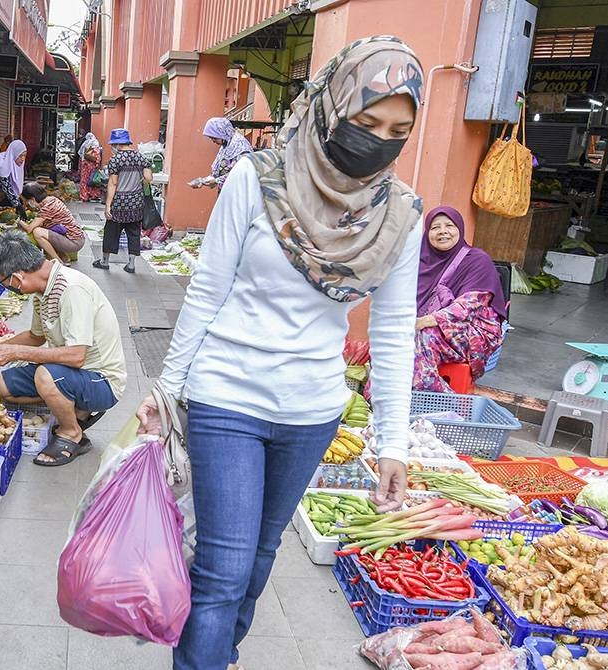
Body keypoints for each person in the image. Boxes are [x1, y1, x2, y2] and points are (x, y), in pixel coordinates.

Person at [135, 36, 424, 670]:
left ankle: (219, 655)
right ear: (332, 105)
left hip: (312, 412)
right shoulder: (257, 178)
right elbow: (207, 289)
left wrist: (393, 444)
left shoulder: (399, 215)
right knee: (223, 568)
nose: (379, 141)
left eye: (398, 131)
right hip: (227, 396)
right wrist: (166, 389)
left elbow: (394, 331)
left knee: (259, 561)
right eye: (367, 121)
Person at [0, 232, 125, 466]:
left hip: (100, 380)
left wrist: (15, 353)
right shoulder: (43, 291)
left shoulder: (71, 289)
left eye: (4, 282)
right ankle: (73, 408)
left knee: (44, 376)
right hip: (66, 371)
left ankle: (72, 433)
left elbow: (77, 356)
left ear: (17, 277)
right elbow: (35, 337)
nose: (7, 287)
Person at [414, 206, 507, 392]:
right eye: (435, 227)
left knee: (422, 338)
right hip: (426, 325)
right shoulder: (419, 261)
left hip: (473, 329)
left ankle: (440, 401)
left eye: (449, 225)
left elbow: (468, 307)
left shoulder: (477, 259)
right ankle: (379, 397)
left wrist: (421, 322)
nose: (443, 231)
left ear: (460, 229)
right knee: (393, 341)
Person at [93, 128, 152, 274]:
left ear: (117, 144)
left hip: (119, 203)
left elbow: (113, 183)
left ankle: (105, 261)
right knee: (134, 233)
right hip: (136, 202)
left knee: (111, 232)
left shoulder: (115, 160)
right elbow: (148, 178)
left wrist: (108, 205)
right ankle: (131, 265)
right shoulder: (141, 157)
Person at [18, 182, 85, 263]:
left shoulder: (48, 207)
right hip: (76, 238)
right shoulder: (52, 200)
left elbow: (29, 229)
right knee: (45, 228)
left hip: (74, 242)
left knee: (37, 232)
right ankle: (64, 258)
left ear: (33, 199)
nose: (26, 204)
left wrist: (19, 221)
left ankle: (58, 261)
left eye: (26, 201)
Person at [192, 117, 254, 191]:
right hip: (228, 191)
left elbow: (241, 172)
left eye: (214, 138)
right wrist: (203, 181)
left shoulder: (240, 147)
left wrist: (217, 181)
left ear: (222, 132)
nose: (213, 141)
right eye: (211, 138)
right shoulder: (227, 145)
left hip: (239, 192)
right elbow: (219, 170)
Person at [77, 132, 104, 202]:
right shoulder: (96, 144)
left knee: (84, 181)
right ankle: (93, 195)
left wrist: (80, 168)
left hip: (85, 166)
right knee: (92, 180)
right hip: (92, 166)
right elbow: (97, 157)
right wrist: (98, 165)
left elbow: (81, 157)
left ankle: (84, 196)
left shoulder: (85, 144)